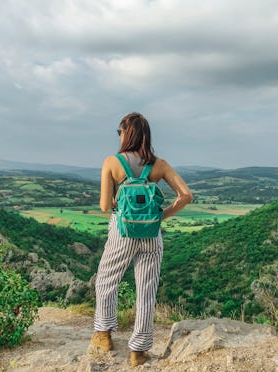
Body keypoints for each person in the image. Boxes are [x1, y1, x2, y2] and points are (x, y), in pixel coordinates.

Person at [90, 112, 193, 367]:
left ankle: (104, 335)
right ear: (146, 135)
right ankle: (139, 350)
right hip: (151, 234)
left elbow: (105, 206)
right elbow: (186, 195)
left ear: (126, 133)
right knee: (146, 291)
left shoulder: (111, 162)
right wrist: (160, 217)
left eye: (120, 131)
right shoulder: (159, 165)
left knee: (106, 279)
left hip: (122, 232)